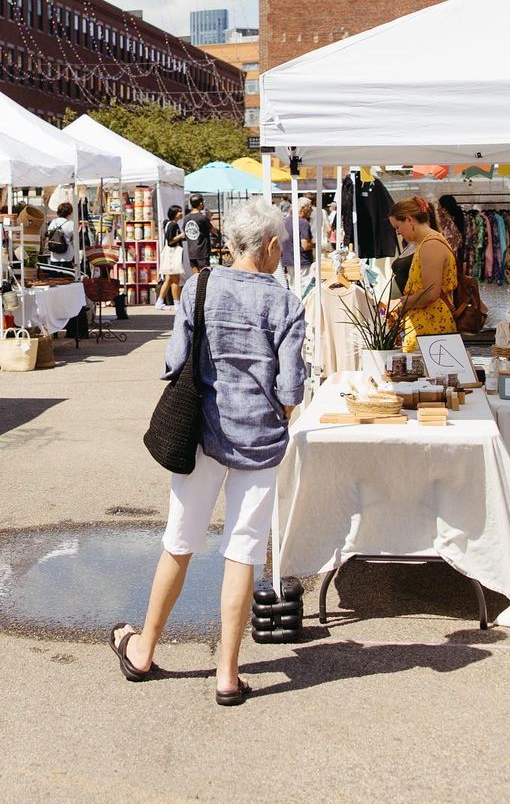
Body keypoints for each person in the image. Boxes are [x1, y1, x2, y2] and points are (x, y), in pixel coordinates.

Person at [108, 198, 305, 706]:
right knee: (242, 552)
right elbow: (290, 392)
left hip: (202, 435)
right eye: (279, 245)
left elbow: (174, 362)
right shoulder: (285, 303)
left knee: (180, 540)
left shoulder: (199, 287)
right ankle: (227, 674)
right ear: (269, 247)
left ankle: (144, 650)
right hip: (259, 441)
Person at [389, 196, 458, 353]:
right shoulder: (425, 243)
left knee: (430, 375)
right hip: (427, 325)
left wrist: (399, 304)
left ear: (409, 219)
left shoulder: (431, 245)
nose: (398, 232)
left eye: (397, 226)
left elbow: (430, 294)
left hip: (431, 326)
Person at [155, 204, 185, 309]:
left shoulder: (169, 224)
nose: (181, 213)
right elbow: (170, 241)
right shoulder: (173, 225)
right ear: (174, 214)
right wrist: (181, 236)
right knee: (175, 280)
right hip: (173, 254)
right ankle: (177, 303)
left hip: (169, 255)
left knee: (169, 280)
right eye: (179, 211)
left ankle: (160, 301)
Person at [281, 199, 314, 283]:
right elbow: (305, 245)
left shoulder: (285, 221)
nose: (312, 209)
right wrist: (314, 245)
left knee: (293, 286)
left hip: (288, 261)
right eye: (310, 207)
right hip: (302, 262)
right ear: (303, 208)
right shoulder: (303, 223)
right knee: (304, 287)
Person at [182, 194, 212, 273]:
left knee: (195, 277)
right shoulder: (202, 218)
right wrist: (209, 218)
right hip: (203, 251)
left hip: (191, 251)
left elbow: (185, 233)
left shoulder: (186, 218)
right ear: (201, 203)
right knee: (204, 276)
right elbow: (213, 230)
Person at [43, 201, 76, 271]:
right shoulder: (71, 224)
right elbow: (74, 239)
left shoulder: (53, 222)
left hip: (54, 256)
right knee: (67, 279)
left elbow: (49, 235)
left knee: (55, 280)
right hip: (67, 256)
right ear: (70, 212)